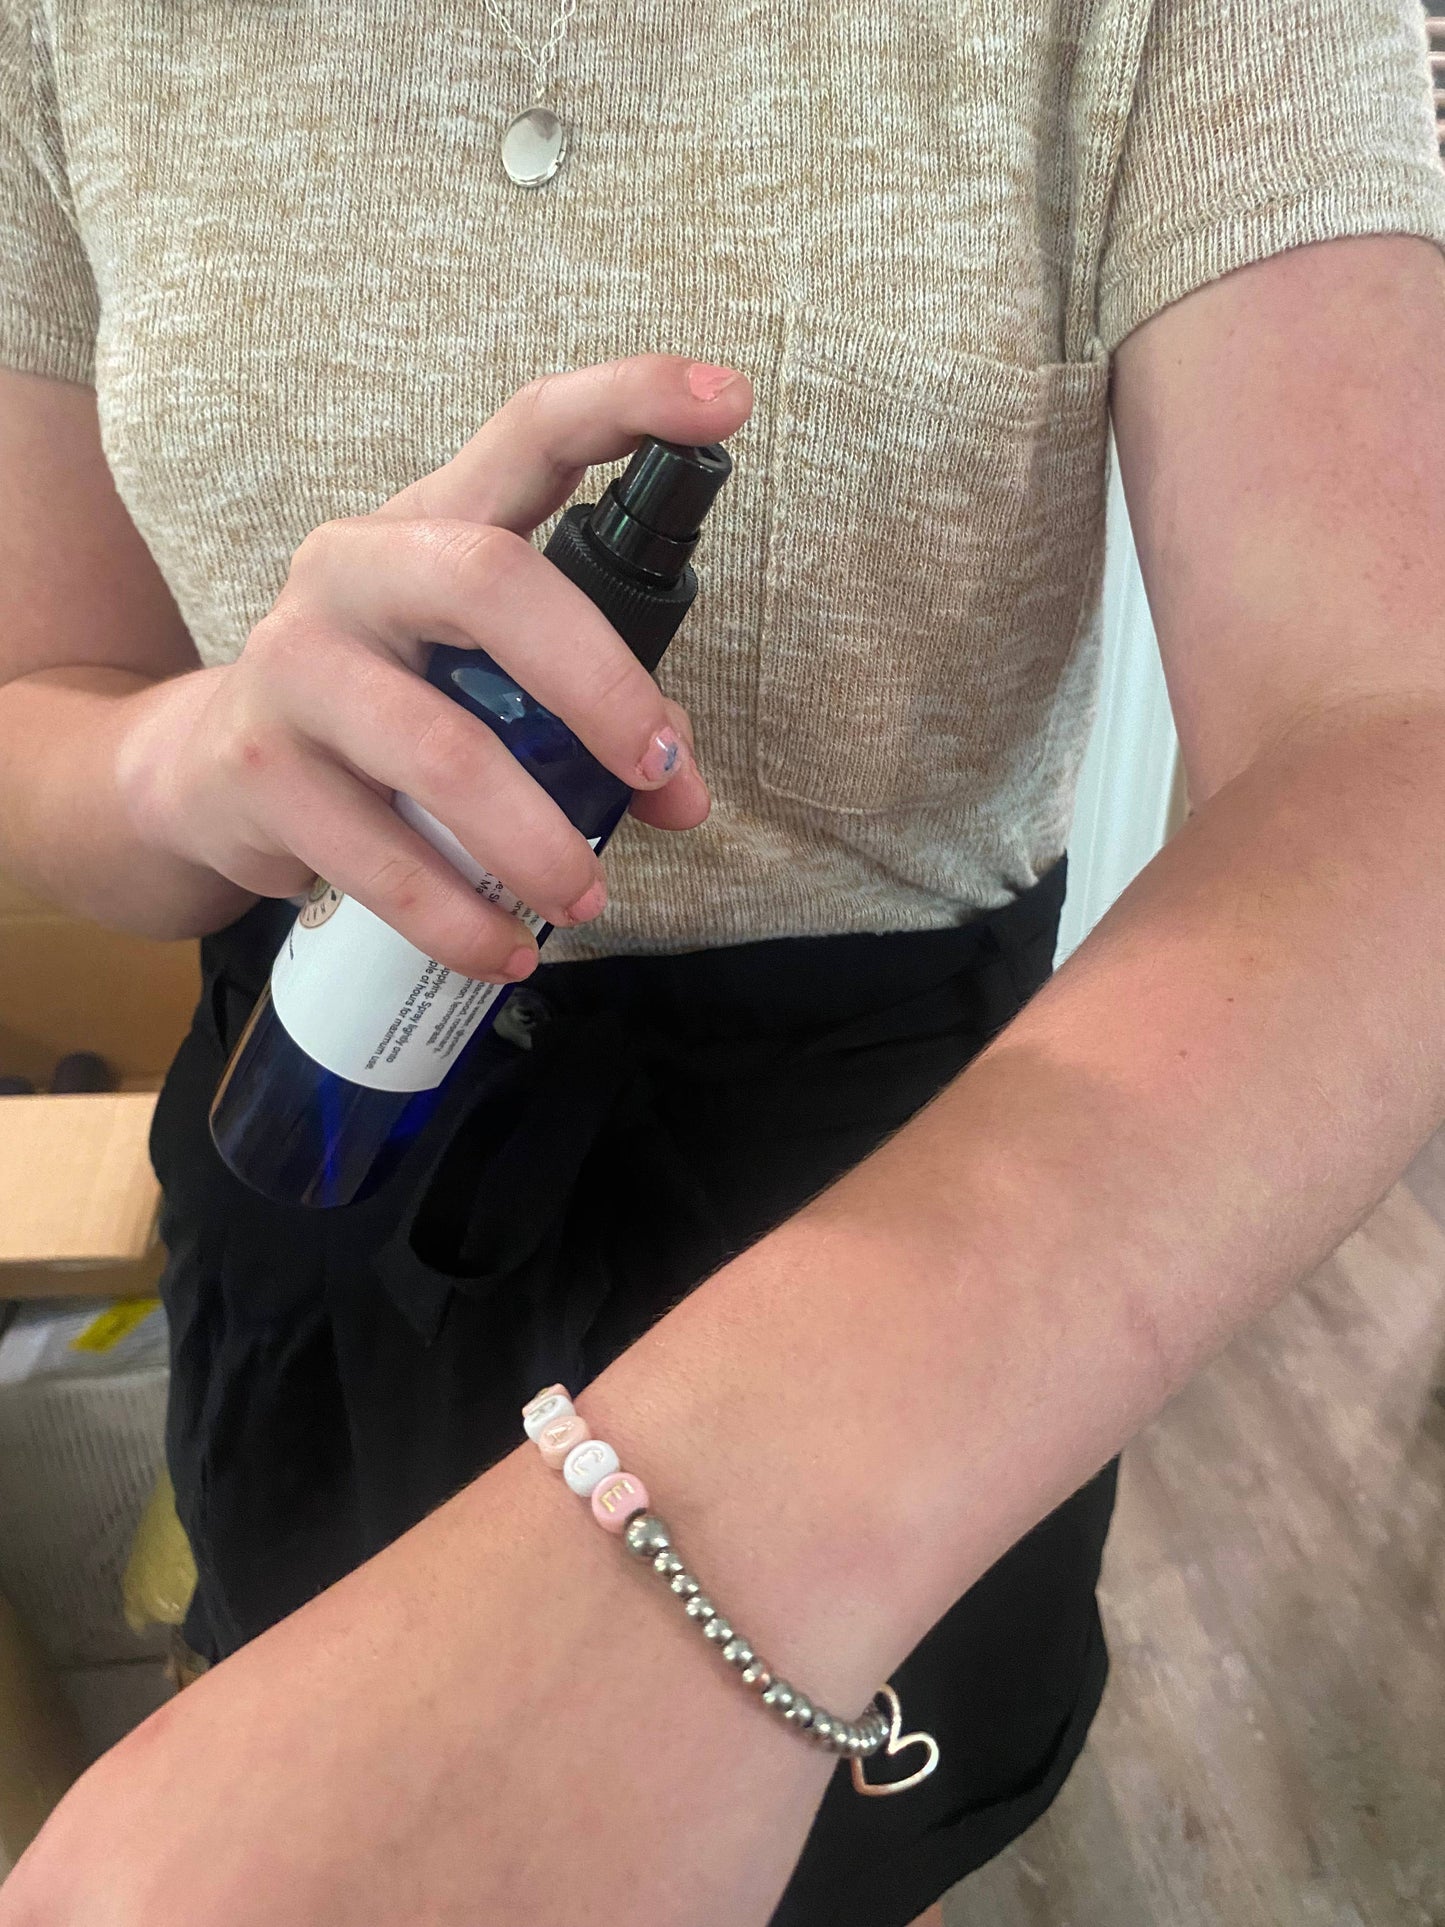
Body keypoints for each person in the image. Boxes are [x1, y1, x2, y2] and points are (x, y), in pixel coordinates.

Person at [1, 0, 1443, 1920]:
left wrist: (689, 1559)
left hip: (928, 1245)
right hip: (321, 1143)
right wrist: (195, 759)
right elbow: (38, 708)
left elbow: (1390, 739)